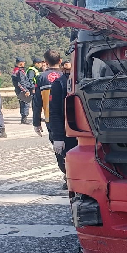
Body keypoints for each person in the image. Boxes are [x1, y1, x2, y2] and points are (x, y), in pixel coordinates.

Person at [49, 58, 78, 190]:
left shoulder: (86, 81)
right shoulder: (59, 84)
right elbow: (55, 112)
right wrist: (58, 137)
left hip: (86, 131)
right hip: (68, 131)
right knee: (66, 161)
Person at [33, 49, 63, 138]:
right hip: (67, 116)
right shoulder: (66, 76)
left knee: (57, 145)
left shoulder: (41, 78)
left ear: (46, 62)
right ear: (60, 60)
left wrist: (36, 122)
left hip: (50, 117)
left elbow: (37, 102)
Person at [11, 56, 33, 124]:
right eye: (23, 63)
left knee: (22, 103)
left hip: (18, 89)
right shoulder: (19, 71)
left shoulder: (15, 70)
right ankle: (24, 119)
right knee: (25, 103)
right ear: (20, 63)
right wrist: (25, 90)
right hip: (22, 89)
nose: (24, 64)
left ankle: (23, 118)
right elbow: (21, 82)